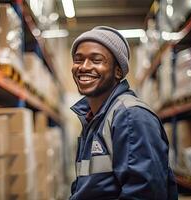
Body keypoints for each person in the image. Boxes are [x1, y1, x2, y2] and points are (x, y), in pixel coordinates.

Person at [69, 26, 178, 199]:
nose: (84, 67)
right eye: (78, 59)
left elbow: (144, 194)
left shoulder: (130, 117)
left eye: (96, 60)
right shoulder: (94, 119)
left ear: (118, 71)